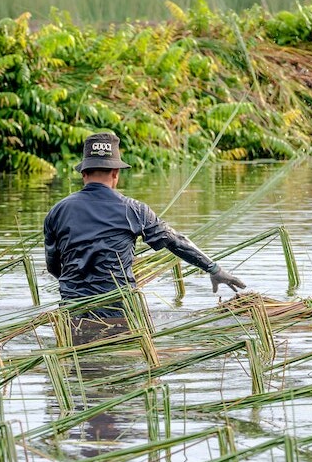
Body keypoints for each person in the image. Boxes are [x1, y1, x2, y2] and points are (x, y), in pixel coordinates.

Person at [44, 132, 247, 337]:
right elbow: (176, 242)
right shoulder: (134, 210)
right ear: (116, 173)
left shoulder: (57, 212)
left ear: (83, 173)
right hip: (120, 317)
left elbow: (53, 266)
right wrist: (214, 269)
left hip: (73, 318)